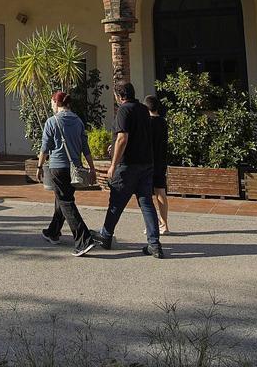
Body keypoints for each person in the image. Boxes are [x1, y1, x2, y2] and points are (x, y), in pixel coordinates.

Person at [91, 82, 163, 258]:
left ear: (119, 96)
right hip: (146, 163)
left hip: (128, 165)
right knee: (146, 203)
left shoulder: (124, 110)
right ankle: (154, 244)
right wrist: (113, 145)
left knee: (116, 201)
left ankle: (106, 236)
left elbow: (123, 138)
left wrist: (113, 165)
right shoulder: (143, 110)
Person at [36, 90, 99, 256]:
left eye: (52, 102)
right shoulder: (78, 121)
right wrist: (91, 168)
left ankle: (83, 239)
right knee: (63, 200)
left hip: (57, 167)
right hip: (74, 168)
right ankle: (53, 232)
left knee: (65, 202)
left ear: (56, 103)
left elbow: (45, 148)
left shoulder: (52, 122)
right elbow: (85, 148)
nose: (51, 105)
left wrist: (39, 166)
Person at [143, 94, 170, 235]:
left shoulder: (147, 122)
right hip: (161, 161)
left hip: (148, 161)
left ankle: (151, 224)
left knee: (146, 195)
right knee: (161, 192)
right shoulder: (163, 122)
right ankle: (164, 224)